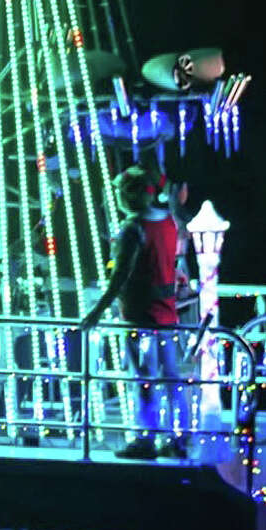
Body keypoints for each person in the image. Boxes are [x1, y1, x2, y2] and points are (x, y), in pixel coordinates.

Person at [79, 164, 190, 460]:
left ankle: (145, 440)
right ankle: (178, 437)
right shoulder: (167, 222)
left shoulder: (133, 229)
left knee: (142, 379)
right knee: (171, 378)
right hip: (168, 318)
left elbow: (120, 276)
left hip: (139, 318)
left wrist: (97, 311)